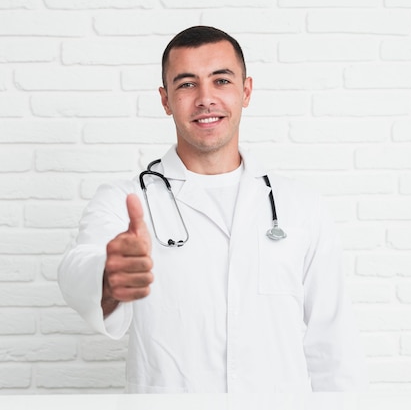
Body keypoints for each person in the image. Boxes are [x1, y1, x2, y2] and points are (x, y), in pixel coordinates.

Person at [58, 26, 367, 393]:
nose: (206, 98)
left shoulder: (300, 205)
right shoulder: (126, 200)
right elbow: (78, 268)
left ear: (246, 91)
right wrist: (109, 276)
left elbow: (332, 343)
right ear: (166, 100)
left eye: (221, 80)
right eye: (187, 84)